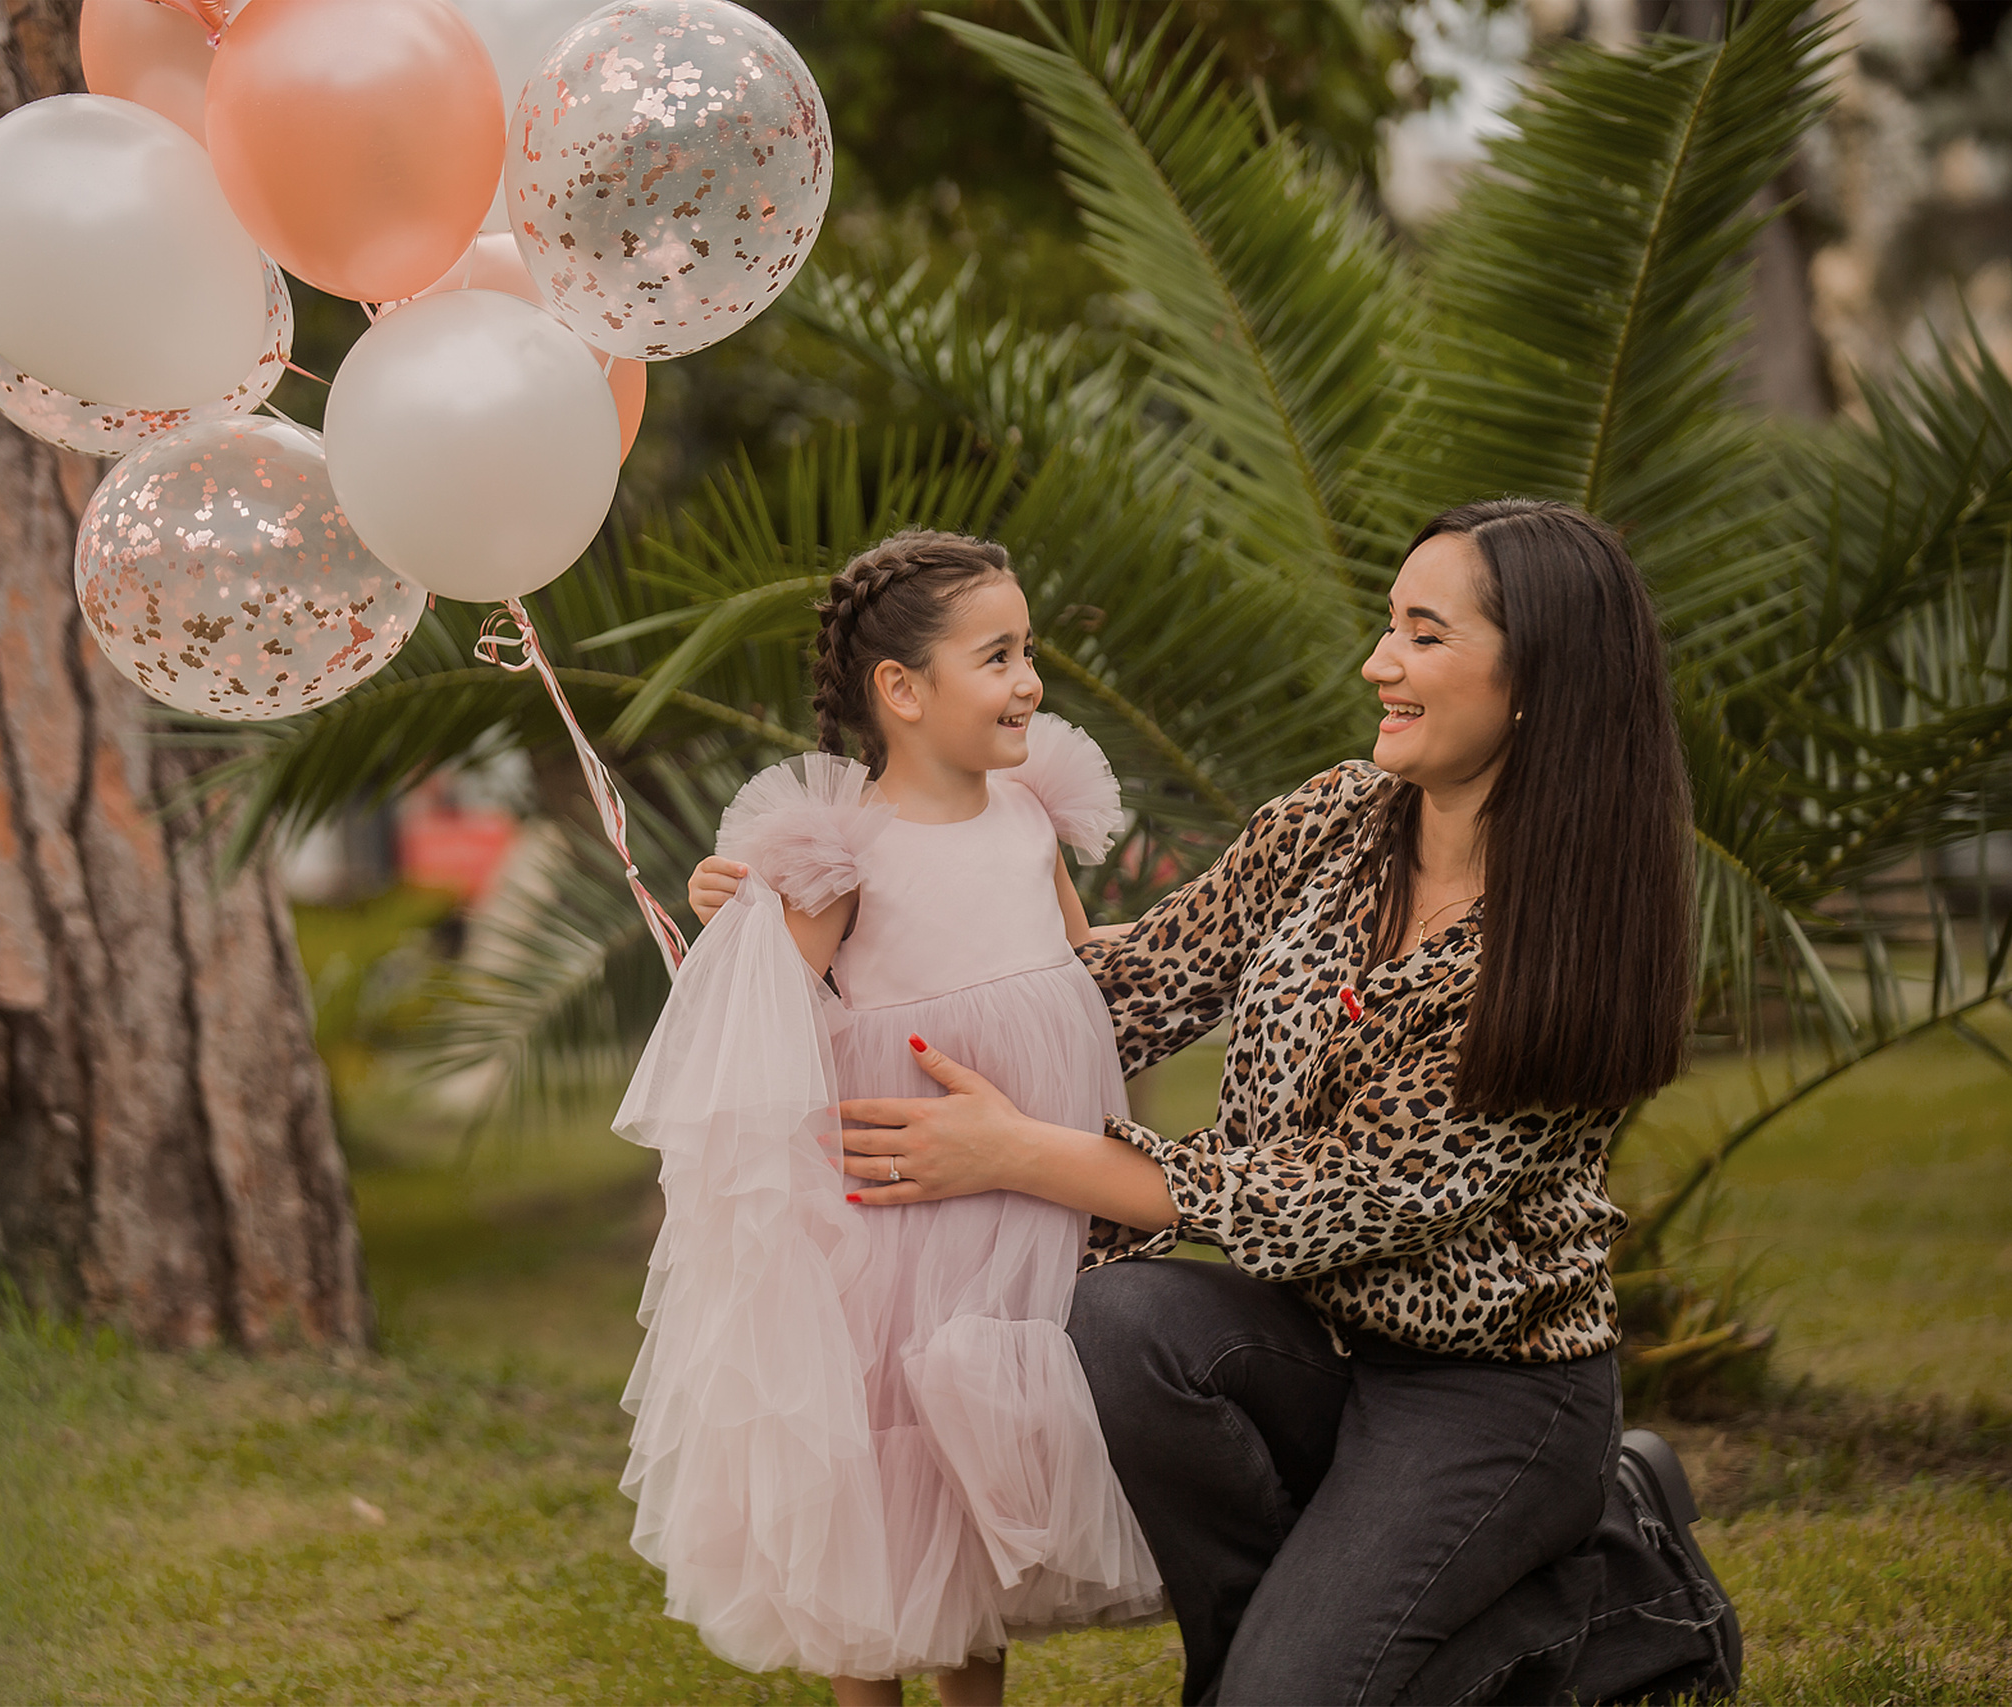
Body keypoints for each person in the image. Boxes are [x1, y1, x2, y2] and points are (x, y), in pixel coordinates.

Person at [689, 499, 1742, 1703]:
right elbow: (1132, 985)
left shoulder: (1558, 945)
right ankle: (1271, 1656)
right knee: (1121, 1326)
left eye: (1424, 636)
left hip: (1486, 1387)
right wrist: (818, 946)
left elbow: (1324, 1201)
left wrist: (1017, 1152)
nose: (1378, 663)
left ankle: (1625, 1597)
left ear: (1537, 682)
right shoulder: (1336, 820)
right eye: (1387, 624)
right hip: (1309, 1342)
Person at [616, 530, 1167, 1707]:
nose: (1027, 681)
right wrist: (745, 912)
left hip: (1020, 1207)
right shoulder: (843, 849)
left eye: (1030, 654)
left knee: (980, 1473)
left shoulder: (1029, 815)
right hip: (896, 1217)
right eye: (998, 656)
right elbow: (760, 1009)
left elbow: (1081, 962)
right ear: (902, 691)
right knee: (883, 1469)